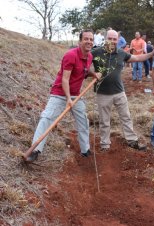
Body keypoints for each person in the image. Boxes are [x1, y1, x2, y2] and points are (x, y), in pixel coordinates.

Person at [26, 29, 101, 162]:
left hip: (76, 95)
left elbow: (84, 70)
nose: (89, 41)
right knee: (47, 118)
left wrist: (93, 74)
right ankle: (35, 150)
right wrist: (67, 99)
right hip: (60, 93)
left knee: (83, 121)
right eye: (86, 39)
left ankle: (85, 150)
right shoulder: (70, 55)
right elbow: (65, 79)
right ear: (80, 41)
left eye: (91, 39)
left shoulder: (89, 56)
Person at [91, 30, 154, 151]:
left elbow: (137, 57)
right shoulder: (96, 52)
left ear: (118, 40)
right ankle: (105, 144)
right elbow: (83, 60)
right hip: (102, 93)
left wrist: (151, 53)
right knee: (104, 121)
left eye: (114, 39)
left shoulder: (121, 53)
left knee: (126, 117)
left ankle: (132, 141)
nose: (112, 41)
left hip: (119, 92)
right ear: (105, 39)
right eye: (110, 38)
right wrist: (90, 73)